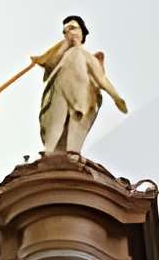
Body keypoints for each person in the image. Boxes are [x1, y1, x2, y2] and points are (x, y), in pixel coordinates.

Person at [35, 15, 126, 157]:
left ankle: (73, 152)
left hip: (81, 95)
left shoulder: (87, 56)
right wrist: (65, 45)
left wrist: (117, 98)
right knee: (55, 121)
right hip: (59, 92)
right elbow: (49, 65)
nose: (68, 33)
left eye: (72, 28)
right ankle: (49, 153)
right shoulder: (63, 55)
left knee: (78, 118)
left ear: (82, 32)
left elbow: (101, 79)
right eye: (65, 31)